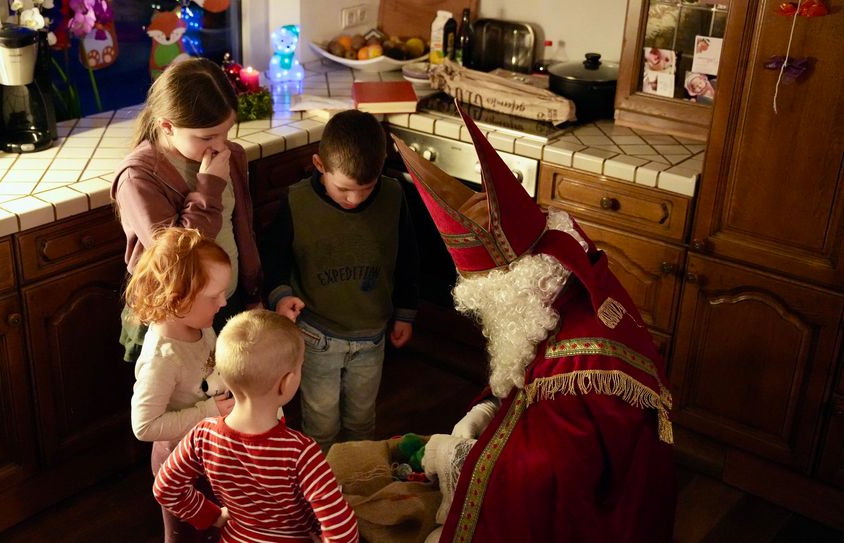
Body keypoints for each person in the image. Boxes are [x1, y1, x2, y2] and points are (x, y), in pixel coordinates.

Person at [392, 105, 676, 542]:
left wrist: (454, 455)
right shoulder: (561, 283)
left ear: (514, 284)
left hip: (601, 511)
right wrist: (486, 409)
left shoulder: (581, 370)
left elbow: (543, 480)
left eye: (484, 292)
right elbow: (525, 379)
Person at [260, 109, 420, 452]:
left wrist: (405, 311)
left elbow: (408, 257)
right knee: (321, 421)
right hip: (317, 334)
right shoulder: (297, 201)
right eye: (344, 189)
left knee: (362, 419)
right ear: (319, 165)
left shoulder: (394, 197)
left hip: (372, 336)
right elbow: (273, 255)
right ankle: (324, 492)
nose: (355, 199)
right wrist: (280, 295)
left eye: (367, 188)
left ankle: (357, 482)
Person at [153, 309, 361, 543]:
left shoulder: (202, 435)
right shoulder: (302, 453)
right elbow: (343, 532)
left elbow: (165, 487)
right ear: (287, 382)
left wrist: (213, 515)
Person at [112, 57, 262, 363]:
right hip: (174, 318)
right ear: (167, 126)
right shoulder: (138, 177)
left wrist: (253, 293)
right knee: (188, 407)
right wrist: (209, 187)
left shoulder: (230, 155)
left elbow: (242, 230)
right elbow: (178, 257)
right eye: (207, 137)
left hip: (226, 303)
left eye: (226, 131)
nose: (221, 145)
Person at [125, 227, 235, 543]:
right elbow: (144, 426)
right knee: (189, 536)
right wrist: (208, 412)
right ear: (176, 299)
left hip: (211, 455)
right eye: (214, 296)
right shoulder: (162, 356)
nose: (224, 302)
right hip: (180, 467)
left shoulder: (200, 325)